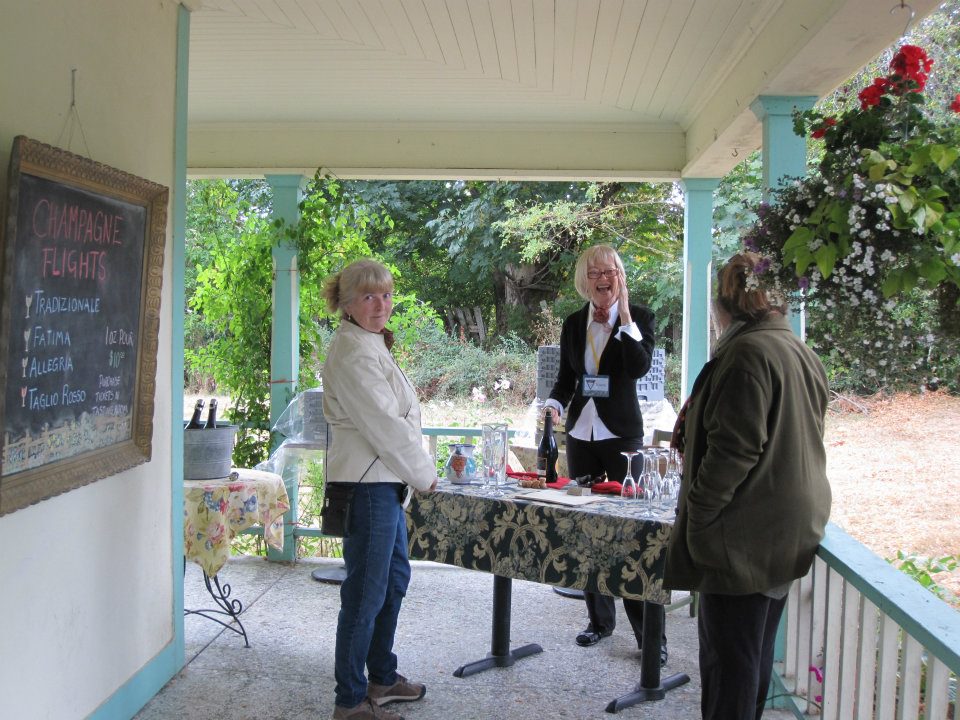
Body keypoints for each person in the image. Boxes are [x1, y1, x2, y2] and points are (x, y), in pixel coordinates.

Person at [663, 252, 831, 720]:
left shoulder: (746, 355)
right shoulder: (796, 349)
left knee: (729, 669)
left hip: (744, 537)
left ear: (722, 307)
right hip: (783, 529)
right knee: (751, 660)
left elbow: (734, 453)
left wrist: (697, 520)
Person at [322, 259, 438, 720]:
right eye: (369, 296)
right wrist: (425, 474)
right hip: (368, 486)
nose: (381, 305)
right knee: (366, 593)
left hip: (384, 484)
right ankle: (349, 701)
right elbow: (386, 426)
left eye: (387, 295)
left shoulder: (368, 344)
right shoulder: (352, 351)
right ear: (347, 303)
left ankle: (382, 678)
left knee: (391, 582)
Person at [543, 243, 667, 664]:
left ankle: (651, 638)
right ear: (585, 279)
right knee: (587, 530)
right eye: (594, 271)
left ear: (621, 278)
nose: (602, 278)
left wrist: (625, 318)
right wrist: (554, 406)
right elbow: (567, 379)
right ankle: (599, 622)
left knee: (633, 536)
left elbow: (638, 367)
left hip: (621, 437)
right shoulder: (574, 323)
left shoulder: (641, 318)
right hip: (581, 435)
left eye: (610, 271)